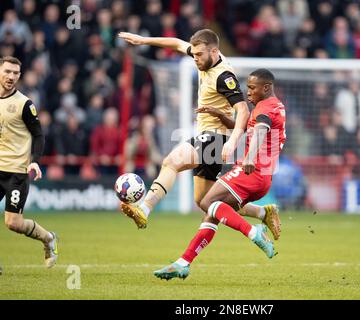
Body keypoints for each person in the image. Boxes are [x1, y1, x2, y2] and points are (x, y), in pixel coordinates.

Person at [117, 29, 281, 240]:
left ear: (214, 51)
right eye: (193, 54)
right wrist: (142, 41)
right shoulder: (203, 57)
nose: (195, 59)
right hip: (209, 138)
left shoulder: (224, 76)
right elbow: (176, 43)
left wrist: (232, 141)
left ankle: (145, 209)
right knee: (206, 201)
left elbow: (243, 110)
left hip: (214, 139)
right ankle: (262, 212)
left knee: (171, 162)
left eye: (199, 55)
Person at [153, 68, 286, 280]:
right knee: (213, 212)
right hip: (260, 177)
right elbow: (247, 129)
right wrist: (223, 117)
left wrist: (250, 157)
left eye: (252, 88)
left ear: (267, 87)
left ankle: (255, 231)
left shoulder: (266, 108)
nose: (248, 92)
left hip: (251, 172)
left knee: (207, 202)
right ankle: (182, 263)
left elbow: (260, 130)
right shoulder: (271, 106)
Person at [0, 56, 58, 268]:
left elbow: (39, 135)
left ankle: (49, 238)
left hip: (16, 172)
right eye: (7, 71)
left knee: (13, 223)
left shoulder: (24, 104)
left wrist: (35, 161)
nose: (11, 77)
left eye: (15, 73)